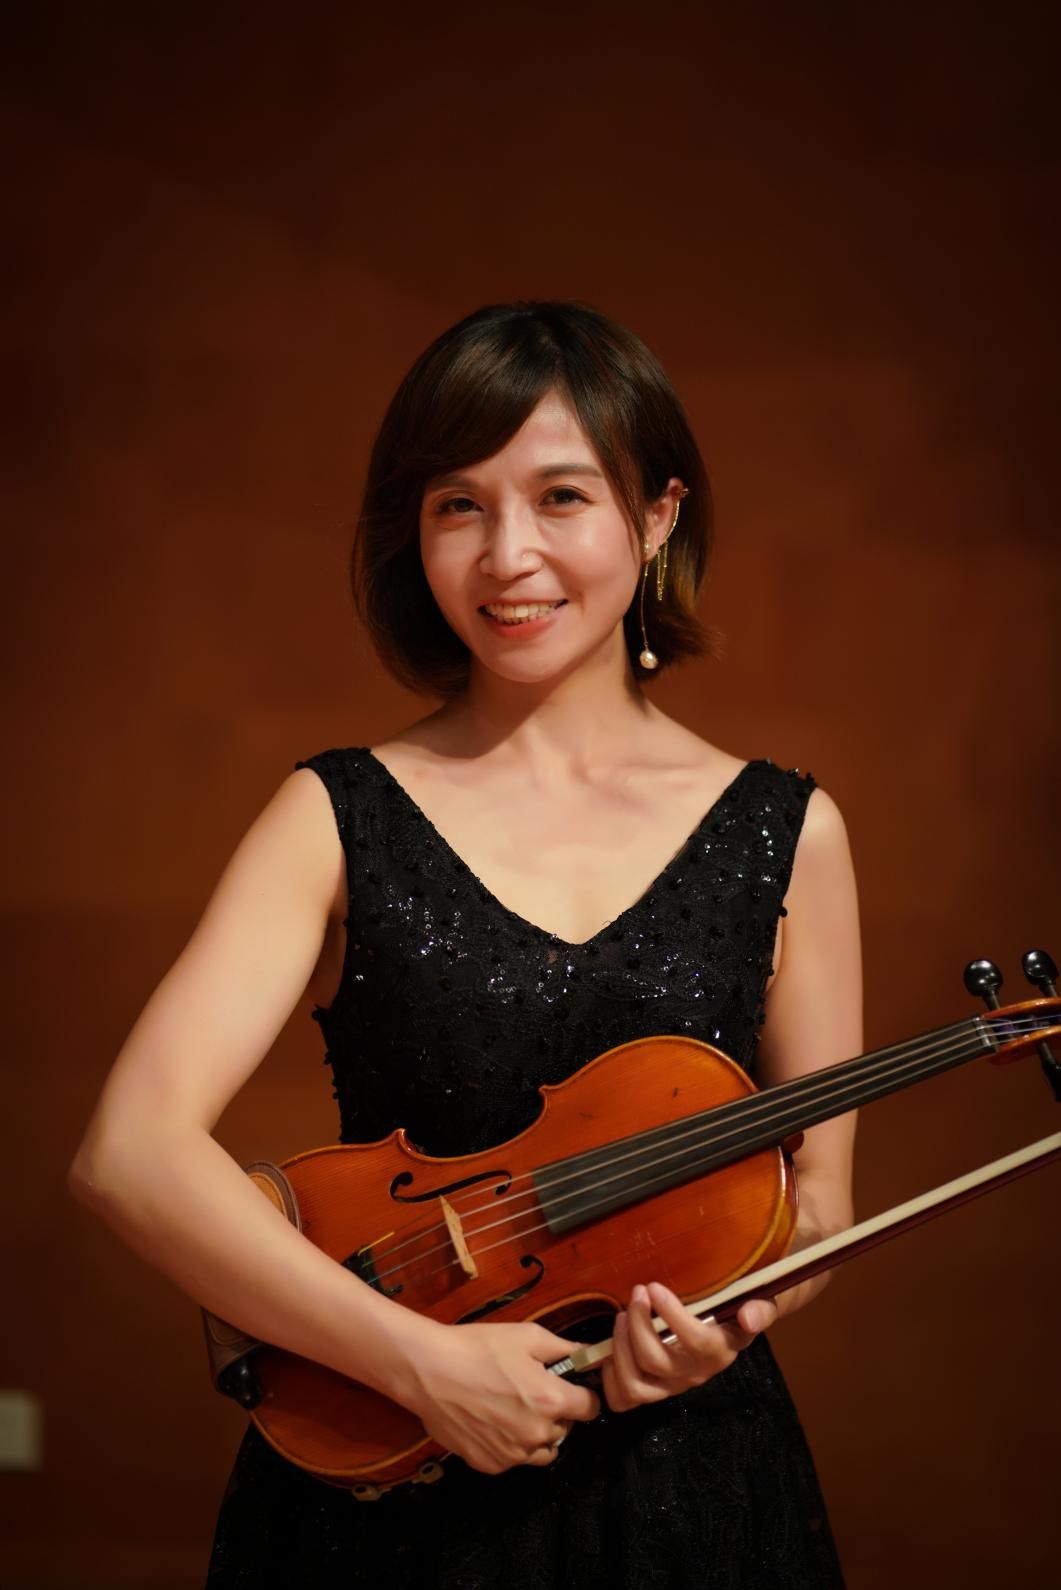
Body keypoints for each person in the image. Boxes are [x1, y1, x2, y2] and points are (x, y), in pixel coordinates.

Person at [70, 300, 861, 1588]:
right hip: (383, 1484)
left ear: (657, 517)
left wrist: (727, 1321)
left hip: (691, 1492)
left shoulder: (790, 832)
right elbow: (131, 1151)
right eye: (458, 506)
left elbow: (817, 1200)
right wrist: (422, 1365)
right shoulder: (332, 815)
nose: (507, 556)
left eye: (561, 497)